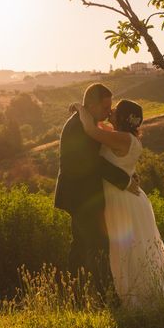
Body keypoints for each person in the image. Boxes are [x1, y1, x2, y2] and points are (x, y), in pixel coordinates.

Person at [72, 99, 164, 309]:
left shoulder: (122, 138)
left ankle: (133, 297)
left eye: (115, 110)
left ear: (123, 117)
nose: (111, 112)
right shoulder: (126, 137)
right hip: (128, 197)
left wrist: (80, 107)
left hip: (122, 200)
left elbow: (90, 129)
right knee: (131, 249)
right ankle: (127, 294)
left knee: (124, 249)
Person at [54, 83, 139, 295]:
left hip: (84, 196)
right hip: (81, 196)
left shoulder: (89, 123)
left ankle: (73, 294)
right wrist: (125, 180)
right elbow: (93, 163)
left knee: (82, 246)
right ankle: (107, 297)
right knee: (98, 246)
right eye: (105, 108)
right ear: (91, 106)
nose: (109, 112)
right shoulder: (80, 127)